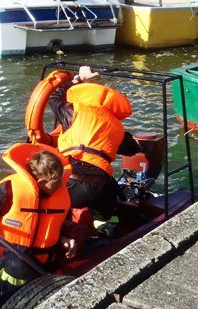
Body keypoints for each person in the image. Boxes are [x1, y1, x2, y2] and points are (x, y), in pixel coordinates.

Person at [0, 143, 76, 289]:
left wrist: (64, 238)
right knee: (15, 269)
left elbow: (58, 224)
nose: (61, 186)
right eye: (56, 182)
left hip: (42, 266)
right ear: (41, 182)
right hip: (3, 264)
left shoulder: (60, 195)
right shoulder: (8, 190)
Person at [48, 65, 141, 222]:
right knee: (107, 216)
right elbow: (131, 149)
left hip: (72, 183)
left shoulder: (72, 111)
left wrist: (78, 79)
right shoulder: (117, 127)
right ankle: (105, 228)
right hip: (101, 187)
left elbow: (54, 96)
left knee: (61, 214)